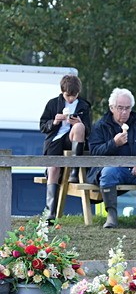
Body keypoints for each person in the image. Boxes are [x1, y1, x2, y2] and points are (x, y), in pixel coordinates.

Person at [88, 88, 136, 229]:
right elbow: (94, 152)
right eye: (120, 108)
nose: (124, 112)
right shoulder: (101, 125)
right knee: (108, 173)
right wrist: (114, 143)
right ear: (112, 108)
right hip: (115, 170)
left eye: (127, 108)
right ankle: (111, 217)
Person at [37, 73, 92, 216]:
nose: (71, 98)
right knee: (53, 169)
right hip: (55, 139)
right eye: (68, 96)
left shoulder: (84, 106)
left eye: (74, 96)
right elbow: (43, 126)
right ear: (62, 92)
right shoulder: (53, 103)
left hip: (73, 139)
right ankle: (50, 212)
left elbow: (89, 130)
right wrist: (54, 122)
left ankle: (74, 170)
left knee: (79, 127)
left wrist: (79, 123)